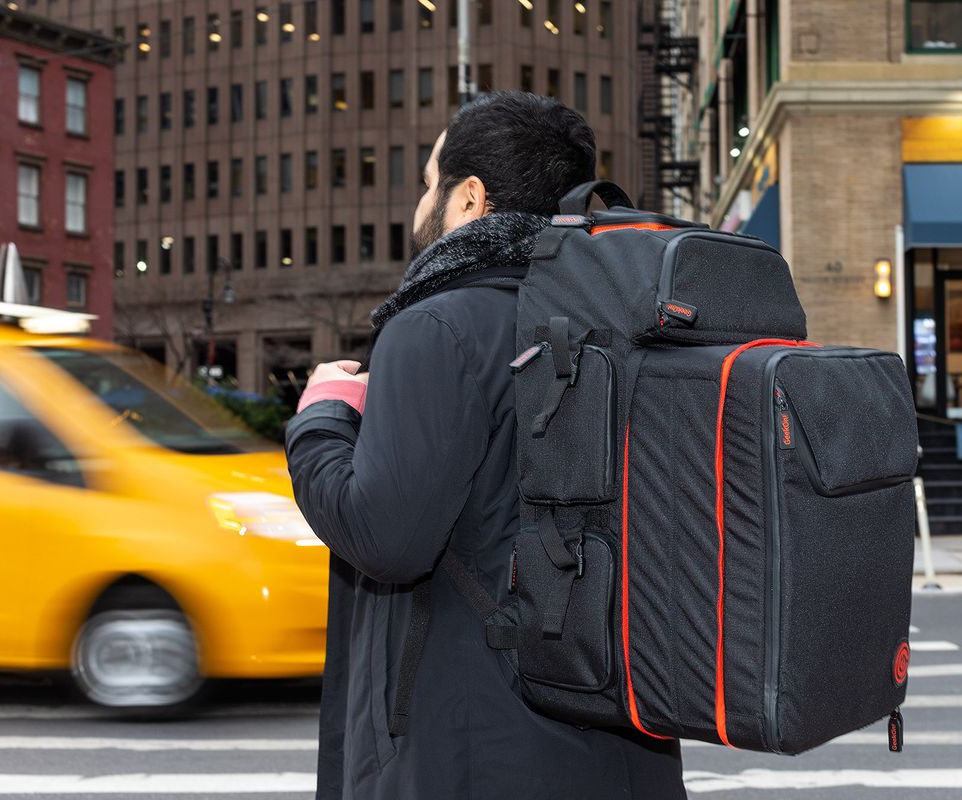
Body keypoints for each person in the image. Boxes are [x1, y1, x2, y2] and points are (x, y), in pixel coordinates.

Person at [284, 91, 687, 800]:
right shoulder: (624, 323)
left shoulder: (440, 326)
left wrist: (320, 417)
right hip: (623, 741)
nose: (421, 200)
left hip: (477, 746)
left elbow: (385, 539)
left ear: (469, 198)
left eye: (428, 179)